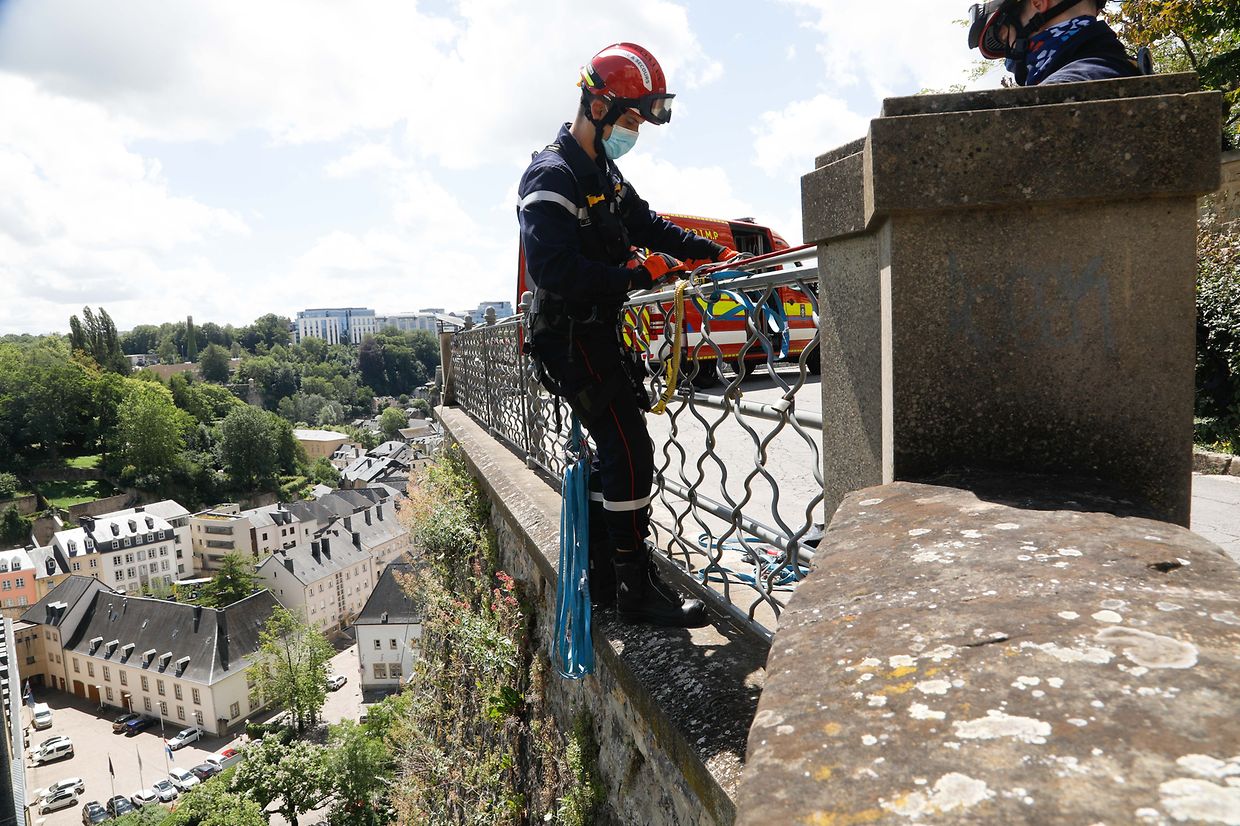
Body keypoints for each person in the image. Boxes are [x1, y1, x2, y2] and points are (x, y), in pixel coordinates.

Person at [517, 43, 738, 628]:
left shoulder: (603, 174)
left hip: (593, 335)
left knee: (616, 452)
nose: (634, 130)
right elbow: (552, 270)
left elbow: (649, 225)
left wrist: (711, 252)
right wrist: (638, 274)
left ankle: (614, 580)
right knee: (628, 450)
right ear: (596, 104)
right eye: (631, 118)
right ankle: (634, 590)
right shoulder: (551, 175)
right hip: (569, 339)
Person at [968, 0, 1142, 86]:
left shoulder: (1068, 88)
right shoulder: (1118, 69)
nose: (1009, 61)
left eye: (1007, 38)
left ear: (1039, 2)